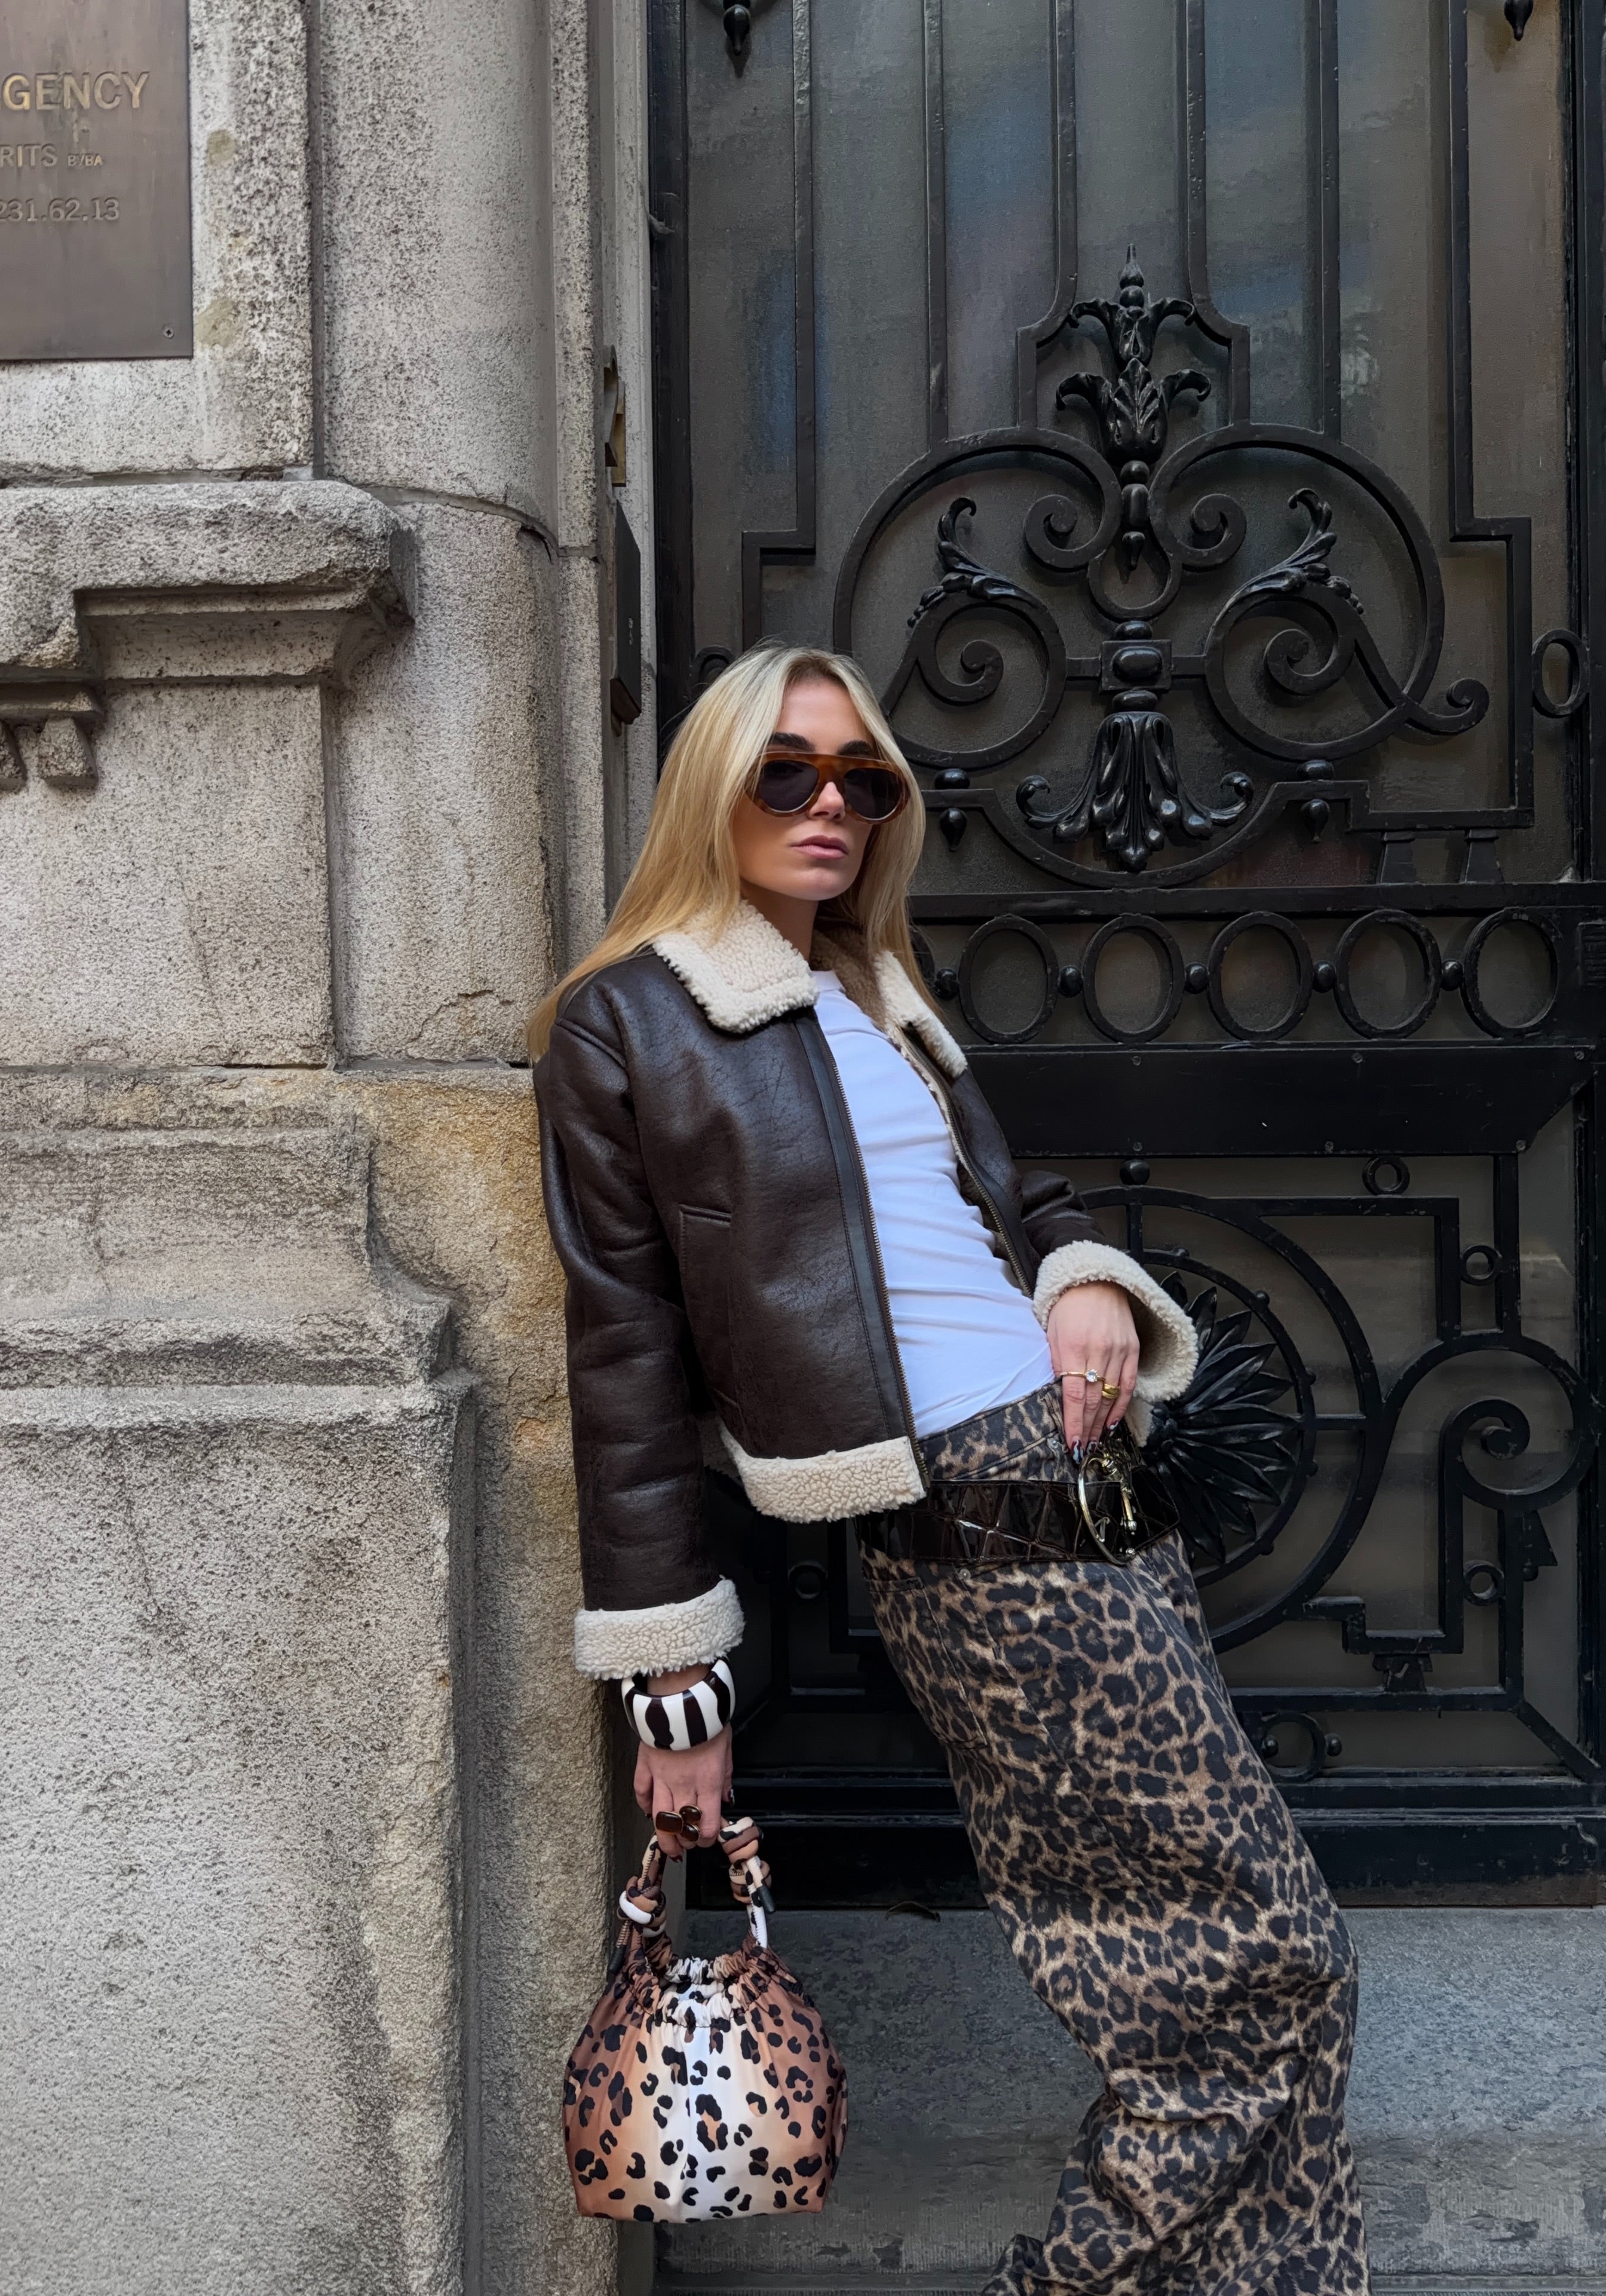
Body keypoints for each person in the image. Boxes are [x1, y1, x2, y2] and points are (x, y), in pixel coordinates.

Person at [531, 642, 1368, 2296]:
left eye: (864, 780)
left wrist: (1081, 1282)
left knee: (1236, 1970)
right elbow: (623, 1358)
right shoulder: (626, 1024)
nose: (830, 806)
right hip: (988, 1544)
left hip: (1099, 1507)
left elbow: (1002, 1209)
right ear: (710, 790)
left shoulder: (873, 990)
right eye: (787, 773)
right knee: (1252, 1963)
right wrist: (674, 1686)